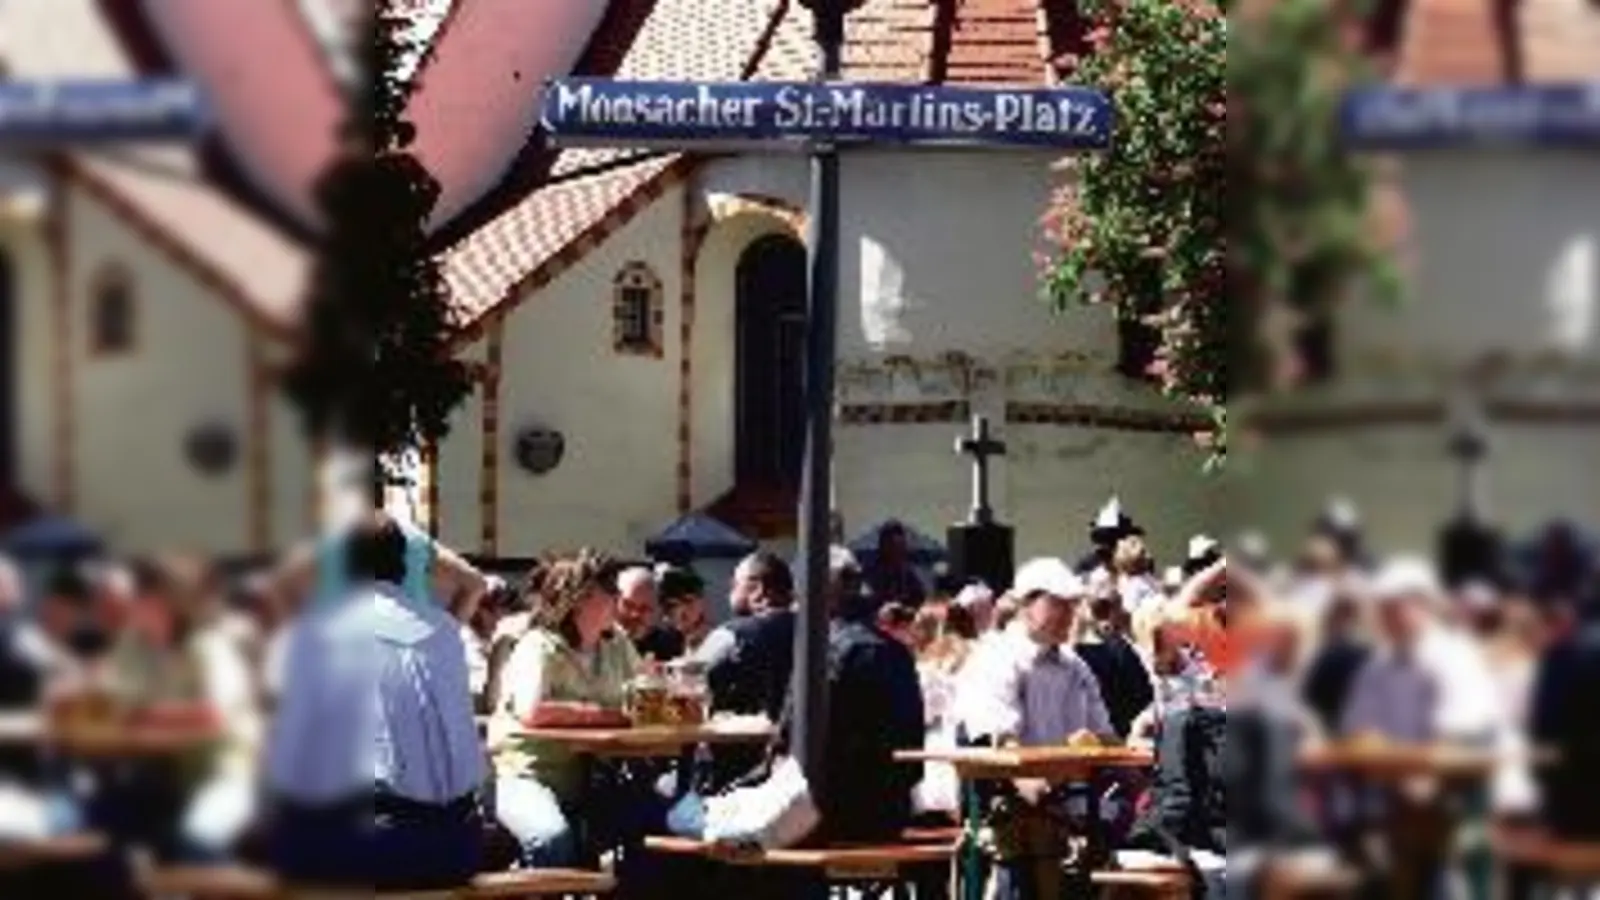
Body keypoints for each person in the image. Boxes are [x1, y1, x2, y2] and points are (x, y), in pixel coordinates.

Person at [264, 514, 486, 890]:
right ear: (403, 567)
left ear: (342, 568)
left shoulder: (313, 634)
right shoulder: (447, 633)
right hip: (453, 847)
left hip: (358, 845)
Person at [953, 558, 1115, 900]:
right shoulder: (996, 657)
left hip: (1068, 809)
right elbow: (999, 742)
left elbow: (1105, 736)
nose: (1068, 613)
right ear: (1027, 604)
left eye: (1071, 605)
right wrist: (1034, 788)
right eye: (1057, 604)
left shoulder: (1075, 666)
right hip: (1009, 814)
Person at [488, 550, 658, 870]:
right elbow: (533, 711)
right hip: (524, 774)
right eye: (611, 590)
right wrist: (603, 715)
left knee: (646, 831)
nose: (618, 598)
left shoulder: (616, 643)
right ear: (582, 599)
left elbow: (644, 694)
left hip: (593, 777)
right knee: (550, 840)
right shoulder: (538, 646)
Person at [90, 555, 260, 863]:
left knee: (197, 839)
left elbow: (213, 714)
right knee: (103, 825)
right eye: (139, 591)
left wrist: (145, 713)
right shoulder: (134, 644)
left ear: (173, 601)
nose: (137, 600)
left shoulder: (207, 645)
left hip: (227, 772)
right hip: (168, 774)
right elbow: (112, 698)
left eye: (147, 592)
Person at [618, 565, 683, 662]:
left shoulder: (669, 645)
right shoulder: (598, 641)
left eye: (644, 609)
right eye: (629, 605)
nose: (635, 614)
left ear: (658, 610)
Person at [862, 521, 926, 609]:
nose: (897, 553)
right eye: (892, 547)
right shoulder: (871, 572)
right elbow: (868, 600)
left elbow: (920, 597)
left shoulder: (909, 572)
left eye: (901, 548)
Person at [656, 565, 711, 656]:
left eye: (689, 601)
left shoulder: (715, 640)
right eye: (672, 605)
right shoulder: (659, 640)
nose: (682, 611)